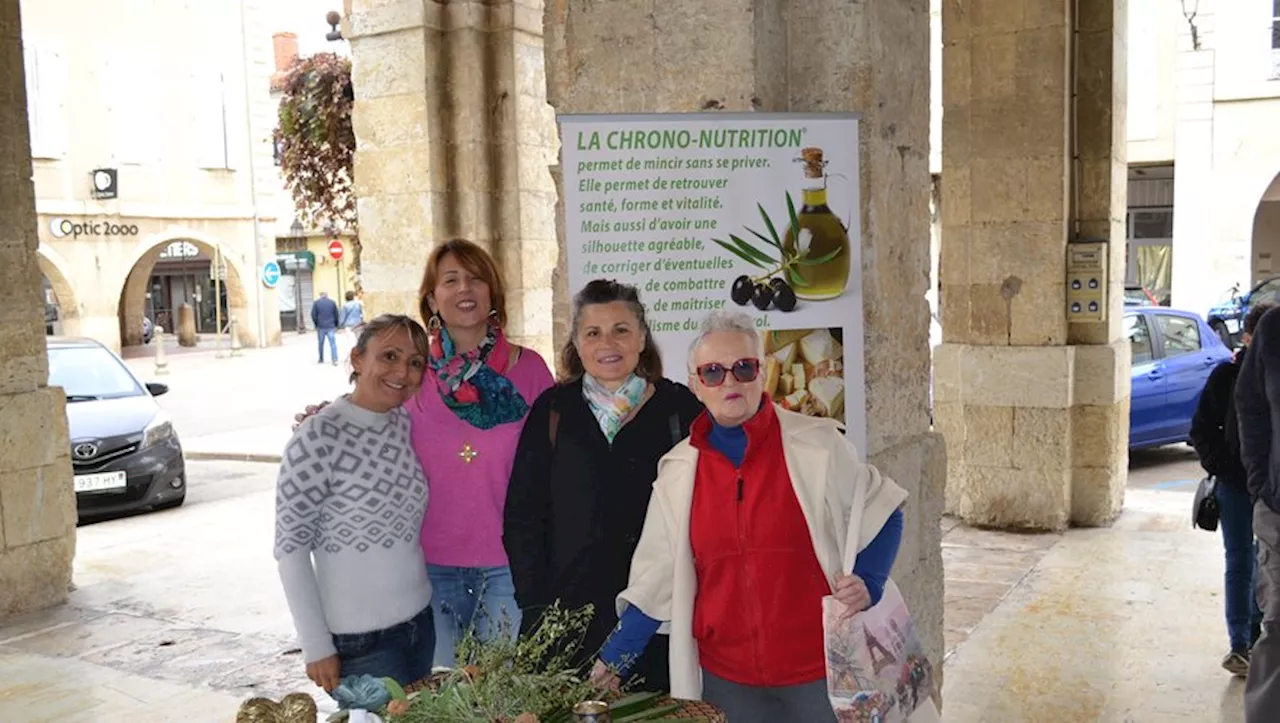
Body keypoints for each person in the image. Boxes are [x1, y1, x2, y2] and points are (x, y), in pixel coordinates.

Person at [589, 310, 908, 723]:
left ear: (762, 374)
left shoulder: (819, 447)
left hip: (821, 673)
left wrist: (871, 581)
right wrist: (614, 661)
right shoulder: (678, 472)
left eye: (744, 368)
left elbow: (885, 510)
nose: (730, 382)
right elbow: (656, 582)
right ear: (695, 385)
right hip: (728, 681)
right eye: (713, 372)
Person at [296, 239, 555, 668]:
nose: (464, 289)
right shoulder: (412, 374)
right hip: (430, 570)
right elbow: (369, 418)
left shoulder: (529, 370)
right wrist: (326, 416)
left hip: (509, 568)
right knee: (442, 703)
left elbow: (556, 464)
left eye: (475, 278)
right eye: (450, 280)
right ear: (432, 298)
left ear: (492, 292)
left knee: (502, 703)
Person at [503, 279, 704, 692]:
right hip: (566, 620)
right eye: (593, 332)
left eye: (621, 330)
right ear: (577, 343)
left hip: (656, 617)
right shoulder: (553, 410)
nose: (607, 343)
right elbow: (523, 515)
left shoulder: (679, 409)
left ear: (642, 338)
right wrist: (538, 608)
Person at [274, 314, 434, 692]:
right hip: (361, 644)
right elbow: (290, 550)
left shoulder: (404, 424)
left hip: (420, 624)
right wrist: (316, 645)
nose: (402, 372)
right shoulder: (317, 437)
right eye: (389, 356)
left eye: (415, 363)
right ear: (357, 359)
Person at [1191, 302, 1271, 676]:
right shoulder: (1226, 377)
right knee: (1241, 560)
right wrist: (1223, 467)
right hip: (1237, 486)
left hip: (1268, 488)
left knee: (1264, 562)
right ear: (1248, 337)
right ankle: (1241, 643)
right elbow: (1201, 431)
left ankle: (1259, 637)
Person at [1238, 305, 1280, 719]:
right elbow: (1249, 405)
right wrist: (1260, 485)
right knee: (1278, 630)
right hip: (1278, 511)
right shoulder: (1273, 329)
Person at [312, 291, 341, 365]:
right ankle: (334, 359)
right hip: (331, 326)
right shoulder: (332, 302)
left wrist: (316, 324)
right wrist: (336, 325)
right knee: (333, 343)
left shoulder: (316, 303)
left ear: (320, 296)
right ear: (327, 296)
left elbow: (313, 315)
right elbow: (336, 314)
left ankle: (321, 358)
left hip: (321, 326)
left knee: (321, 343)